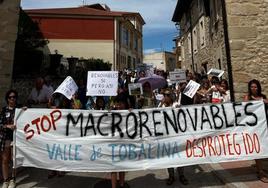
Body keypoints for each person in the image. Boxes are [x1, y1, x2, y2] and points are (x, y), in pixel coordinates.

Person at [158, 89, 189, 186]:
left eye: (167, 95)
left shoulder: (176, 105)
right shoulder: (161, 105)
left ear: (171, 96)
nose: (165, 97)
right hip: (167, 136)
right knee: (169, 157)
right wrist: (160, 104)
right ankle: (171, 176)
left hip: (177, 135)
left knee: (180, 156)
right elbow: (154, 116)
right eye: (164, 95)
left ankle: (181, 175)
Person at [244, 79, 268, 183]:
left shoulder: (263, 97)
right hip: (254, 127)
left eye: (256, 86)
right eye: (252, 87)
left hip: (265, 125)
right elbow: (245, 108)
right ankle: (260, 172)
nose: (254, 88)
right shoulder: (247, 97)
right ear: (249, 88)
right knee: (257, 149)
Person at [0, 90, 19, 188]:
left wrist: (26, 111)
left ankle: (13, 179)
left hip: (16, 138)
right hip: (6, 138)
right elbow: (0, 124)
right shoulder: (3, 110)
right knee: (5, 159)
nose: (12, 98)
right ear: (7, 99)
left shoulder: (19, 110)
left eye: (14, 97)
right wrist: (7, 126)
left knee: (14, 159)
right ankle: (5, 180)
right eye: (10, 97)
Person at [111, 93, 130, 188]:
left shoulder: (128, 112)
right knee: (113, 166)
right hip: (113, 144)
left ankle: (122, 184)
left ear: (125, 104)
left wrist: (131, 112)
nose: (119, 105)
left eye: (121, 103)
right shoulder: (112, 112)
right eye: (118, 103)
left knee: (122, 165)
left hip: (123, 143)